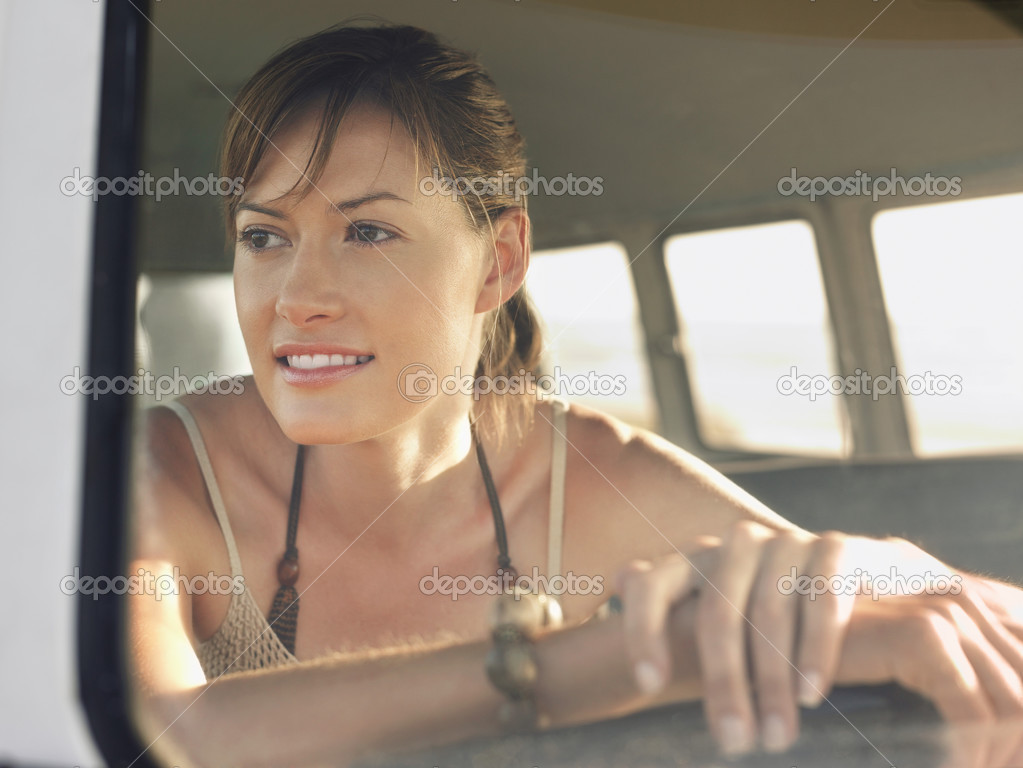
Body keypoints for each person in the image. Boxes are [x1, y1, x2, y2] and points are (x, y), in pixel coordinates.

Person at [128, 20, 1023, 768]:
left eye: (366, 230)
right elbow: (166, 732)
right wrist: (623, 658)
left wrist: (866, 567)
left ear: (499, 262)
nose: (297, 298)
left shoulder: (588, 476)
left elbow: (971, 616)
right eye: (264, 235)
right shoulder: (154, 474)